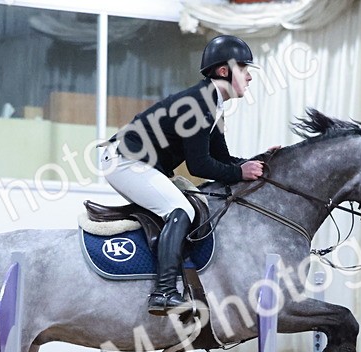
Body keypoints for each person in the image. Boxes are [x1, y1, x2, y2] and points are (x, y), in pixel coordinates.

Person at [102, 35, 266, 316]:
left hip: (137, 162)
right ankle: (164, 292)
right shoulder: (199, 104)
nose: (249, 77)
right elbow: (199, 166)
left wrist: (261, 162)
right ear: (224, 71)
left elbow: (222, 160)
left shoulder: (213, 105)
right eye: (244, 69)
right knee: (180, 208)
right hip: (125, 161)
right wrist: (240, 171)